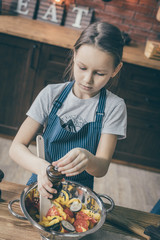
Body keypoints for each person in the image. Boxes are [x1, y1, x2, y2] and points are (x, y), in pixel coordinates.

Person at [9, 21, 127, 199]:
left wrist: (89, 159)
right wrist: (43, 168)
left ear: (116, 69)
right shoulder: (51, 94)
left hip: (80, 192)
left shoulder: (115, 107)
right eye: (82, 68)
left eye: (99, 73)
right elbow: (16, 148)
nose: (87, 79)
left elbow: (101, 168)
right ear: (74, 55)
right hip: (42, 180)